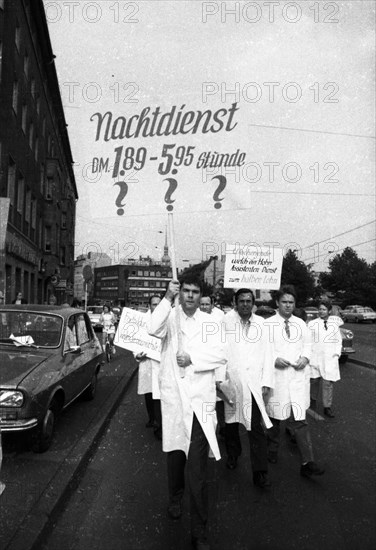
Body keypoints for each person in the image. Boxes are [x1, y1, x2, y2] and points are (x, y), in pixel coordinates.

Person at [148, 276, 225, 550]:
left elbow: (219, 355)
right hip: (175, 400)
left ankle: (199, 531)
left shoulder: (210, 323)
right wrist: (167, 297)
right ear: (180, 294)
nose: (191, 296)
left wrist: (192, 359)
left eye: (195, 292)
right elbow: (151, 328)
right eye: (186, 292)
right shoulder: (171, 317)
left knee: (198, 469)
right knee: (176, 458)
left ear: (200, 294)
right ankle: (174, 497)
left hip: (200, 402)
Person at [264, 285, 325, 478]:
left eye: (291, 302)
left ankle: (308, 461)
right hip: (277, 378)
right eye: (284, 302)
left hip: (297, 378)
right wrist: (274, 359)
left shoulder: (300, 324)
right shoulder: (268, 324)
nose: (288, 305)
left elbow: (308, 345)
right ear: (277, 303)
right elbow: (262, 350)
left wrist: (305, 358)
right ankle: (272, 450)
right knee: (274, 420)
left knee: (300, 420)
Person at [221, 289, 273, 489]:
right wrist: (220, 380)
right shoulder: (226, 321)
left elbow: (268, 353)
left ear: (253, 303)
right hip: (232, 381)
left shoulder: (261, 323)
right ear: (235, 302)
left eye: (248, 301)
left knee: (256, 428)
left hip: (253, 383)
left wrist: (267, 381)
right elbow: (219, 350)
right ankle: (233, 454)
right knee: (232, 424)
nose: (244, 304)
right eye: (241, 301)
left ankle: (260, 472)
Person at [308, 299, 343, 418]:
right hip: (316, 357)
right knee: (314, 381)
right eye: (320, 309)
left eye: (324, 309)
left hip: (329, 358)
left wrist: (337, 354)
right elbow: (308, 341)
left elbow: (338, 341)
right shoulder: (312, 324)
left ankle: (327, 407)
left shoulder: (334, 325)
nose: (321, 311)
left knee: (328, 383)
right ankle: (311, 402)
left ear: (329, 311)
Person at [135, 295, 163, 439]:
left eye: (159, 304)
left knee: (159, 394)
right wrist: (137, 354)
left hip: (160, 364)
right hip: (146, 363)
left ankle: (159, 424)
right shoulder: (142, 321)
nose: (156, 307)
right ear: (149, 306)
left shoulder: (166, 320)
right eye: (153, 304)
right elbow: (135, 341)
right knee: (149, 393)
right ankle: (152, 418)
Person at [199, 294, 226, 439]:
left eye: (206, 304)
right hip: (200, 370)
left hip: (216, 368)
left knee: (219, 402)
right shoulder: (194, 320)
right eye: (201, 304)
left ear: (212, 305)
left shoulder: (219, 319)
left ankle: (221, 429)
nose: (203, 307)